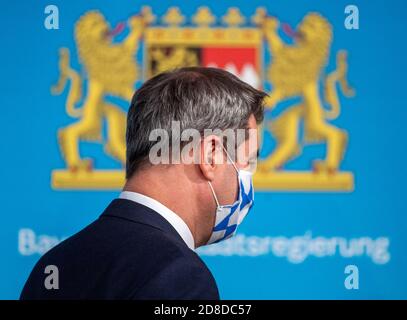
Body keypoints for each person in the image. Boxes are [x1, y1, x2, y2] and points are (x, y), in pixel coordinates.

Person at [20, 67, 266, 299]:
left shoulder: (54, 264)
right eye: (248, 160)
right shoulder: (179, 276)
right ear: (211, 155)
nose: (248, 176)